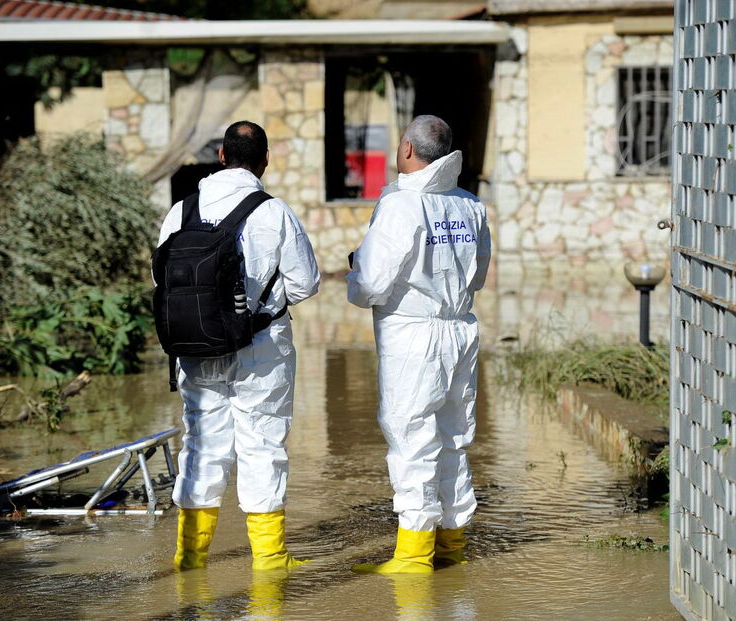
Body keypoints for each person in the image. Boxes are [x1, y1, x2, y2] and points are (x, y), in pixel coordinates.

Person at [156, 121, 320, 571]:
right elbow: (305, 285)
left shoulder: (180, 211)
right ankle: (270, 561)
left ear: (222, 156)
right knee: (262, 444)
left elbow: (160, 278)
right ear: (264, 161)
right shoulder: (274, 212)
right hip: (261, 348)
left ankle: (189, 559)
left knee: (202, 443)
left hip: (195, 349)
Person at [346, 115, 491, 573]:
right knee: (452, 436)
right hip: (460, 330)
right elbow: (480, 276)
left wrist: (354, 272)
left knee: (411, 438)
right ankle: (452, 544)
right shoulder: (471, 206)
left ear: (408, 149)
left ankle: (413, 555)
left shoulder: (400, 204)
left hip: (412, 336)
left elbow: (369, 285)